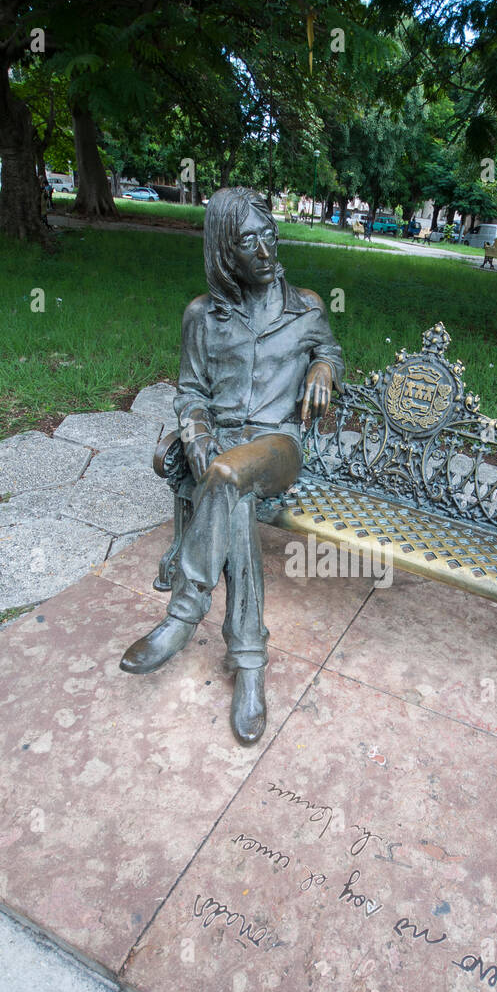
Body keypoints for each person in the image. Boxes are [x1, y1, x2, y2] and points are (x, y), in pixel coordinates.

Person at [120, 186, 344, 745]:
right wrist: (194, 435)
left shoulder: (307, 307)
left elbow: (332, 351)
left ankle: (182, 614)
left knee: (226, 477)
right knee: (232, 498)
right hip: (220, 449)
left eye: (270, 235)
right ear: (225, 251)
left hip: (277, 449)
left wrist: (323, 368)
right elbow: (190, 390)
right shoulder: (202, 317)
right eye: (250, 242)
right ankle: (249, 666)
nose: (268, 251)